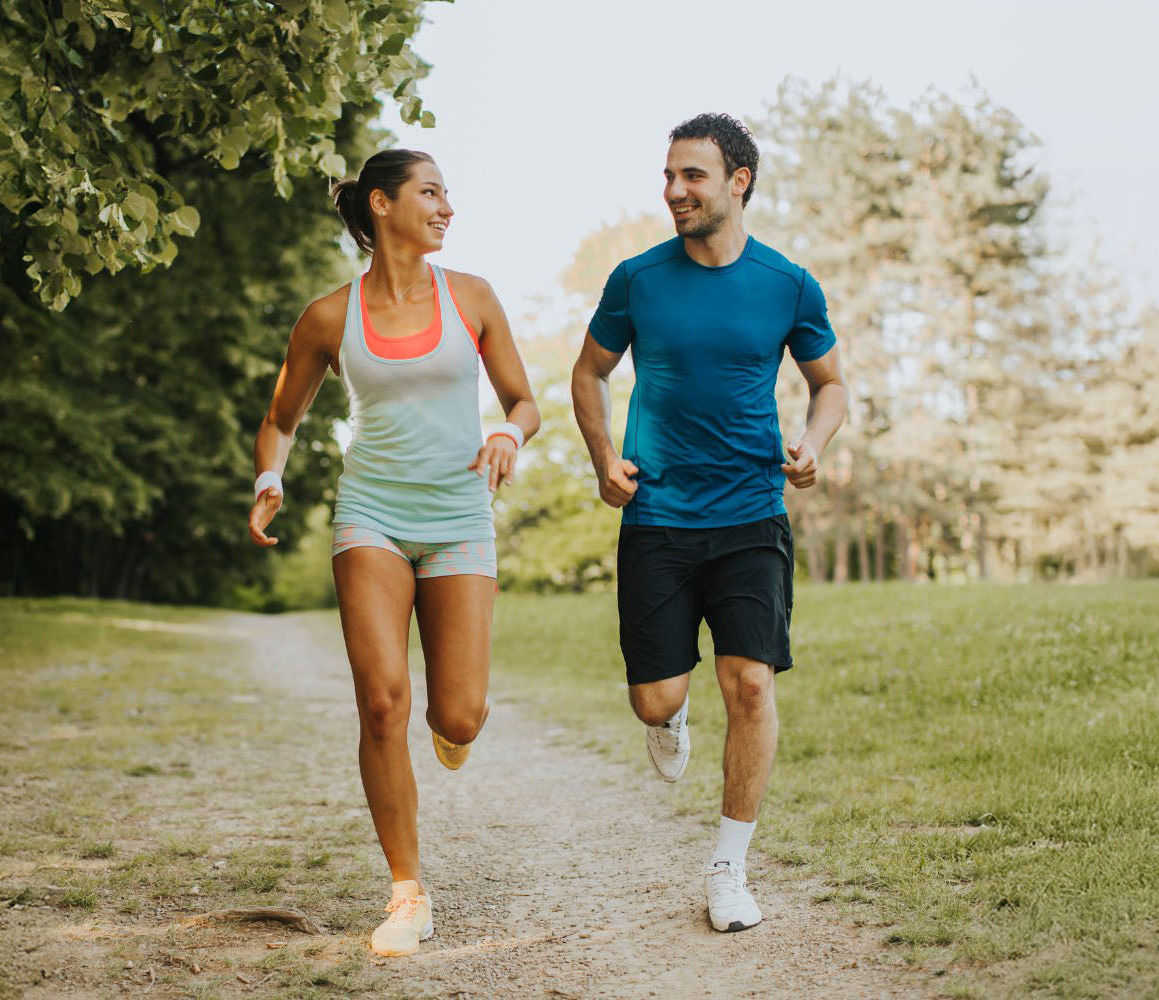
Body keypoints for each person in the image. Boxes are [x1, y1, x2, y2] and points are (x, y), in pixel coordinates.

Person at [248, 149, 539, 957]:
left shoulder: (471, 298)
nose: (447, 207)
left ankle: (456, 727)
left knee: (458, 713)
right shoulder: (327, 316)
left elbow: (523, 399)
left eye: (448, 193)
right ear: (382, 206)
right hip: (370, 513)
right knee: (381, 703)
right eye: (431, 192)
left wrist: (508, 432)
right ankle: (406, 893)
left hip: (457, 515)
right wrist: (270, 473)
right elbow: (281, 415)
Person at [570, 113, 847, 933]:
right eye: (667, 176)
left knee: (751, 684)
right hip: (657, 514)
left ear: (738, 181)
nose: (674, 191)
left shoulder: (787, 283)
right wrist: (601, 458)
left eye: (691, 176)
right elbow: (588, 374)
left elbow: (829, 384)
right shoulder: (637, 279)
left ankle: (728, 867)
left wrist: (812, 441)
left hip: (749, 512)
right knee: (654, 699)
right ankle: (671, 714)